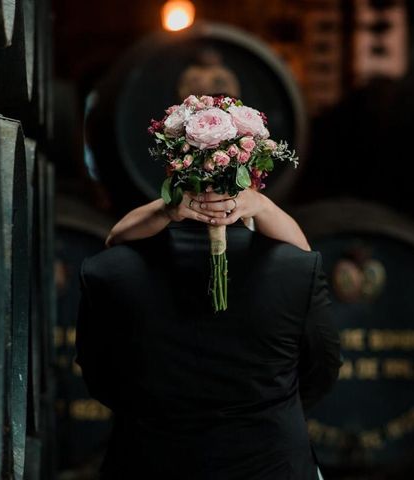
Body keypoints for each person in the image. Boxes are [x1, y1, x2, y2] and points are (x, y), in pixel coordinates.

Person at [75, 188, 343, 479]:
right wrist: (273, 407)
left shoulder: (106, 270)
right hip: (272, 464)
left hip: (147, 463)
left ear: (172, 175)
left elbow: (100, 378)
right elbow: (323, 368)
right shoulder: (300, 269)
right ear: (252, 179)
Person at [104, 185, 311, 251]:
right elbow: (115, 238)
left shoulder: (256, 210)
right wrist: (167, 208)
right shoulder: (172, 210)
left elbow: (304, 252)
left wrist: (260, 203)